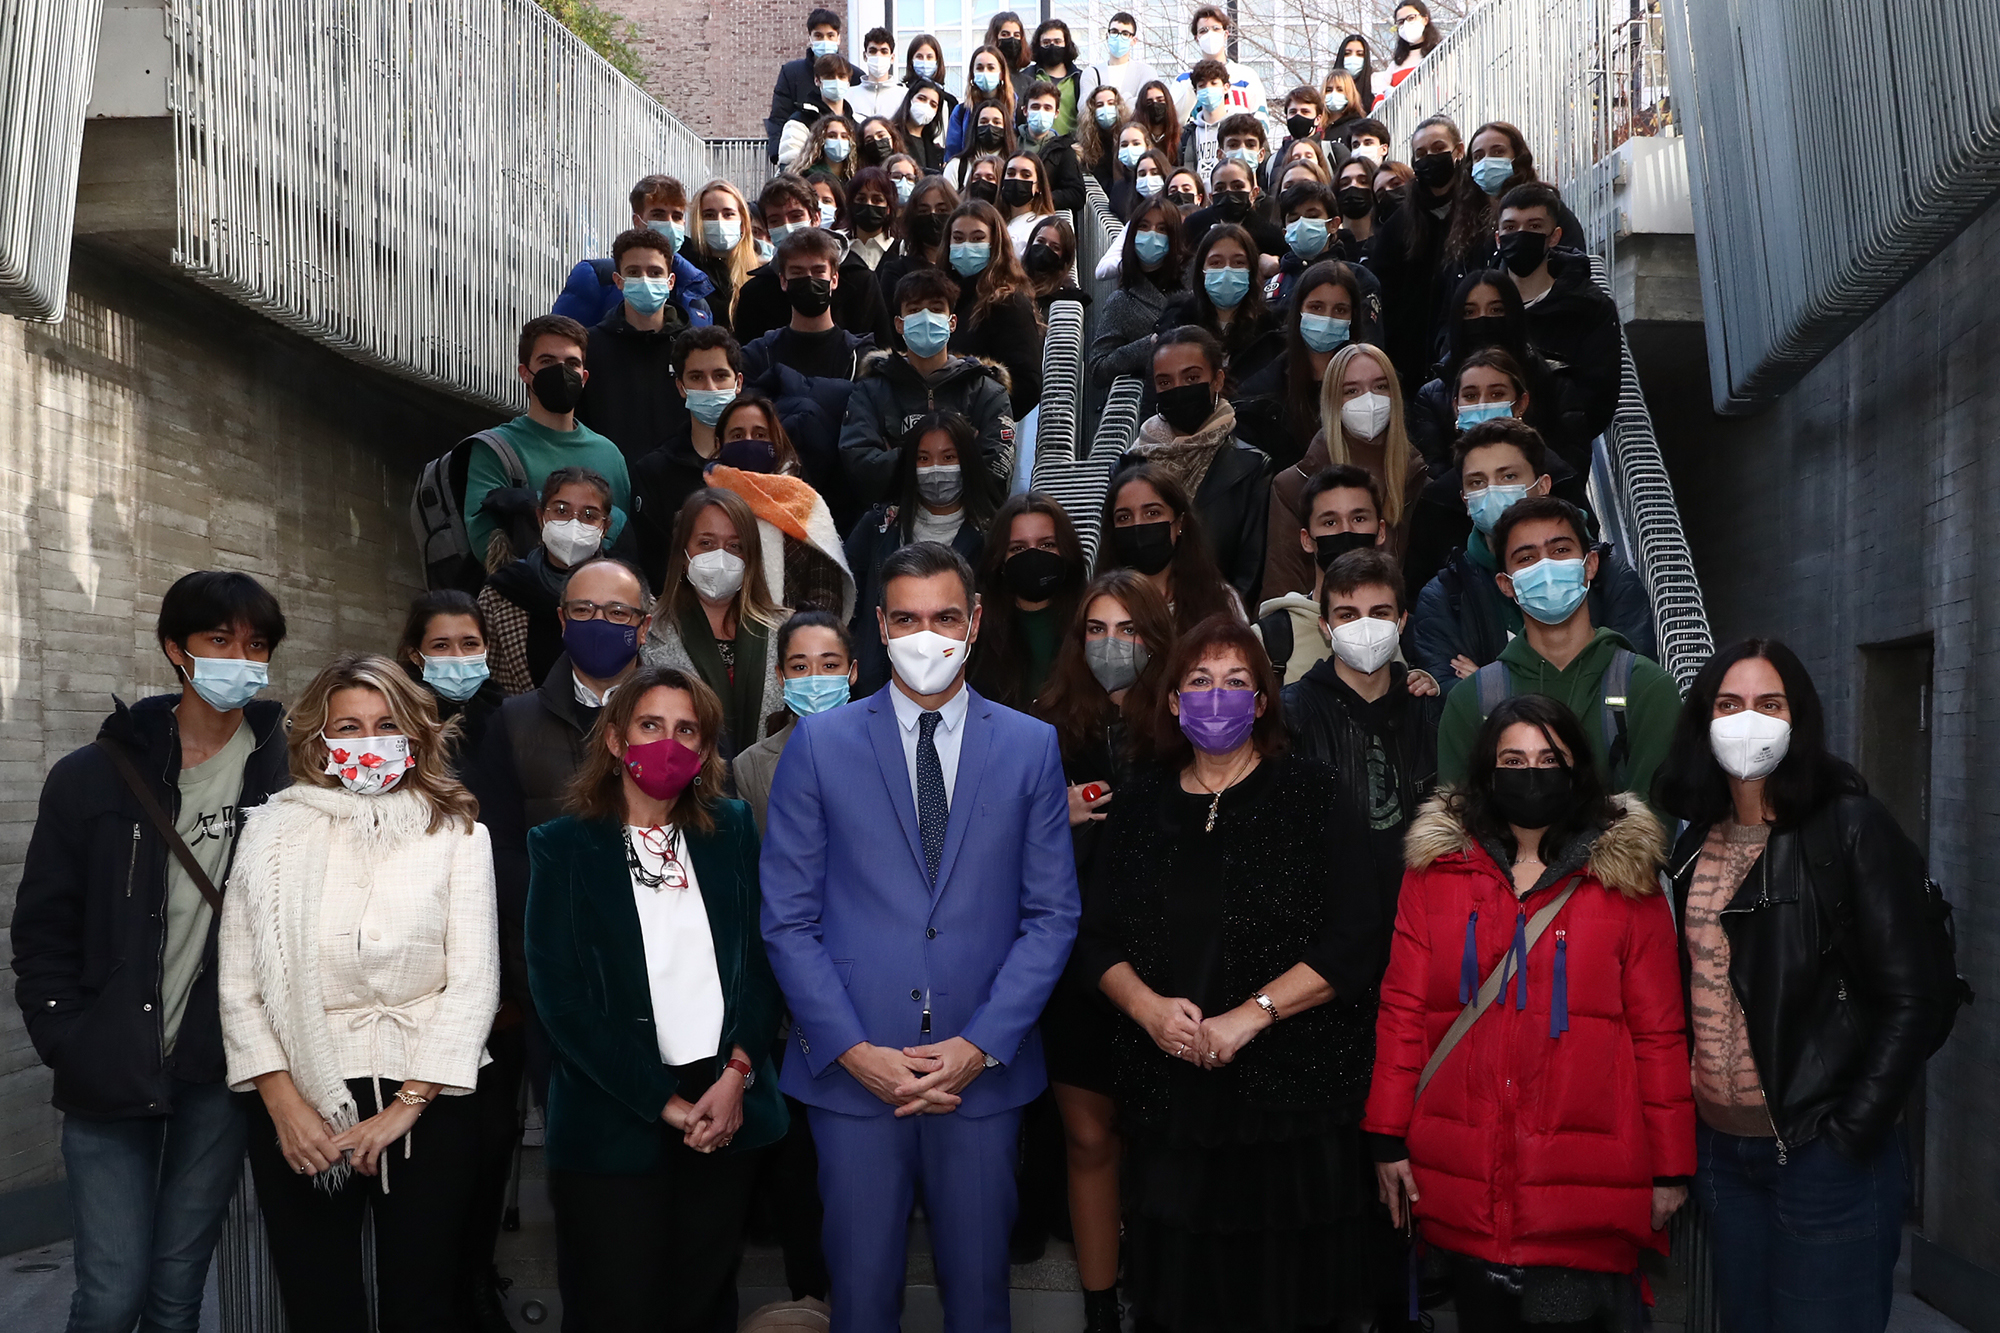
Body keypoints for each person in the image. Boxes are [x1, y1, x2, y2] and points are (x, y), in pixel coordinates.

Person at [759, 540, 1081, 1333]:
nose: (925, 635)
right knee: (861, 1301)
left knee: (980, 1300)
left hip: (982, 1077)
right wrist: (854, 1051)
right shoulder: (820, 744)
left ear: (973, 623)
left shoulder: (1030, 745)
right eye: (906, 617)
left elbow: (1052, 915)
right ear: (879, 624)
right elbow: (787, 919)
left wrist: (980, 1045)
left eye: (943, 616)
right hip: (853, 1077)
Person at [1077, 613, 1383, 1333]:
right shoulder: (1141, 802)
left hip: (1293, 1108)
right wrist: (1148, 1008)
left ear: (1263, 701)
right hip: (1172, 1101)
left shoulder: (1314, 794)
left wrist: (1253, 1013)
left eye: (1237, 682)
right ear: (1175, 702)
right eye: (1201, 682)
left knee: (1292, 1300)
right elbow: (1092, 939)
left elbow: (1355, 937)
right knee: (1181, 1299)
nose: (1218, 697)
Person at [1653, 640, 1961, 1333]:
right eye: (1729, 704)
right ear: (1703, 720)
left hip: (1826, 1160)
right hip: (1725, 1161)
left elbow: (1916, 998)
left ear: (1801, 720)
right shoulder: (1694, 842)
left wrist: (1851, 1130)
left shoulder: (1849, 827)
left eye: (1770, 704)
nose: (1748, 721)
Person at [12, 572, 287, 1333]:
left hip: (219, 1065)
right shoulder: (92, 775)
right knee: (109, 1297)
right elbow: (42, 926)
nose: (242, 658)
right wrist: (67, 1035)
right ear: (176, 649)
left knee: (176, 1292)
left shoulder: (287, 769)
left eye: (256, 645)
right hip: (109, 1061)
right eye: (219, 640)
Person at [1370, 692, 1691, 1331]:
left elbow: (1659, 1033)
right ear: (1487, 771)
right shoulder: (1437, 872)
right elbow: (1404, 1009)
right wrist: (1385, 1136)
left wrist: (1671, 1168)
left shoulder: (1627, 880)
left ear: (1577, 769)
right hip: (1463, 1182)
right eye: (1512, 760)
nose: (1531, 773)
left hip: (1587, 1192)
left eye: (1549, 758)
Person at [217, 653, 497, 1332]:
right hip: (302, 1096)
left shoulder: (459, 833)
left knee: (424, 1299)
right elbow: (238, 986)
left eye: (385, 723)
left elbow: (474, 983)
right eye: (349, 725)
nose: (368, 741)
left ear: (413, 734)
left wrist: (405, 1107)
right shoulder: (270, 832)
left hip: (429, 1099)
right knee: (319, 1302)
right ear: (319, 739)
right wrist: (285, 1106)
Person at [525, 666, 787, 1331]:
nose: (666, 743)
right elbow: (561, 999)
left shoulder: (729, 829)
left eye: (685, 730)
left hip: (725, 1106)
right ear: (614, 739)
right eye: (650, 725)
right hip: (614, 1114)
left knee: (702, 1301)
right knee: (617, 1306)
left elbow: (761, 965)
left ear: (703, 751)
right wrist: (665, 1105)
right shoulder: (562, 845)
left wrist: (736, 1074)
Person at [1030, 569, 1175, 1333]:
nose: (1111, 645)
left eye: (1128, 629)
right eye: (1096, 628)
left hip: (1166, 961)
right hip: (1070, 959)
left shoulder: (1188, 725)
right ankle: (1097, 1311)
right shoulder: (1041, 728)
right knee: (1087, 1136)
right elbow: (992, 851)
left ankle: (1155, 1291)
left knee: (1156, 1141)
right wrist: (1053, 818)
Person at [391, 593, 521, 1327]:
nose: (457, 657)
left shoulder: (512, 721)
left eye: (469, 642)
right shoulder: (389, 730)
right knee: (434, 1148)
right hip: (413, 968)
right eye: (440, 644)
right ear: (413, 651)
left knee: (492, 1136)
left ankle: (476, 1278)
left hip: (497, 970)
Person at [1434, 495, 1681, 794]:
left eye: (1561, 550)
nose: (1546, 567)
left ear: (1590, 564)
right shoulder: (1470, 702)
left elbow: (1653, 828)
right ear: (1506, 584)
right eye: (1526, 558)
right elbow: (1458, 824)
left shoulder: (1647, 689)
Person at [1410, 419, 1652, 692]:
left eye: (1508, 477)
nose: (1492, 490)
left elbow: (1629, 688)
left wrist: (1495, 690)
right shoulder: (1443, 598)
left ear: (1543, 486)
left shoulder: (1610, 579)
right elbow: (1454, 703)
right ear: (1465, 500)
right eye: (1477, 482)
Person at [1282, 548, 1442, 887]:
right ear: (1325, 627)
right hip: (1328, 915)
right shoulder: (1292, 715)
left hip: (1416, 908)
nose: (1365, 627)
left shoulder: (1428, 710)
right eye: (1348, 615)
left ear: (1401, 622)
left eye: (1380, 613)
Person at [840, 268, 1017, 509]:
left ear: (952, 322)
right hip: (891, 527)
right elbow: (861, 470)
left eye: (935, 309)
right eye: (913, 310)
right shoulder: (870, 391)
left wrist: (900, 456)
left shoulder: (987, 392)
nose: (925, 318)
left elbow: (996, 477)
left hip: (970, 530)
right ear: (899, 324)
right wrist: (960, 455)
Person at [846, 412, 996, 696]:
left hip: (965, 692)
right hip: (875, 688)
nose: (936, 469)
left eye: (949, 458)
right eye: (924, 459)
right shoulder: (879, 527)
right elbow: (844, 597)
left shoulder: (992, 536)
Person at [465, 315, 631, 571]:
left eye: (572, 363)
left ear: (584, 377)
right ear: (525, 373)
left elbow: (620, 540)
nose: (561, 371)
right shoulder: (495, 448)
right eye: (547, 361)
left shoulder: (609, 455)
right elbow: (483, 544)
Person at [1122, 325, 1271, 605]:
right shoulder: (1129, 466)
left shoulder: (1252, 467)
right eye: (1165, 382)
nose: (1178, 390)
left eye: (1191, 378)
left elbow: (1251, 572)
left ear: (1217, 380)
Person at [1264, 342, 1425, 597]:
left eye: (1380, 387)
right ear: (1332, 401)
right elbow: (1282, 586)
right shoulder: (1293, 485)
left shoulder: (1417, 480)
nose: (1369, 400)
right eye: (1352, 391)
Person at [641, 489, 791, 762]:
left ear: (751, 558)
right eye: (706, 543)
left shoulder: (787, 632)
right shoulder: (650, 634)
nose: (721, 558)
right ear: (683, 555)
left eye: (735, 546)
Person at [1499, 182, 1623, 460]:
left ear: (1554, 237)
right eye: (1510, 227)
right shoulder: (1477, 303)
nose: (1520, 235)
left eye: (1533, 227)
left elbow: (1597, 398)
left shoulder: (1589, 308)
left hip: (1556, 460)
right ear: (1498, 238)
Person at [1255, 465, 1392, 687]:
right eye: (1330, 522)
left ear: (1381, 531)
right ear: (1306, 540)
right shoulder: (1270, 639)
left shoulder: (1409, 635)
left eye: (1358, 519)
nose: (1345, 531)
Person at [1237, 255, 1369, 471]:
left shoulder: (1371, 381)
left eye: (1340, 310)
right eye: (1316, 307)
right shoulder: (1264, 391)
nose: (1327, 318)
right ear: (1298, 311)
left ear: (1352, 316)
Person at [733, 611, 859, 834]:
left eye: (829, 665)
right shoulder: (750, 766)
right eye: (800, 667)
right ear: (781, 676)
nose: (815, 679)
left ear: (852, 672)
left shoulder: (888, 748)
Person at [732, 176, 893, 348]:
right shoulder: (756, 292)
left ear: (816, 218)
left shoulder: (859, 279)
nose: (787, 226)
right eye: (775, 220)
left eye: (796, 216)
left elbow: (880, 350)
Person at [575, 228, 689, 466]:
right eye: (634, 272)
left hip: (679, 485)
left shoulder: (693, 348)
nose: (645, 280)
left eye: (655, 272)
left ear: (670, 281)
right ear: (619, 281)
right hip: (607, 482)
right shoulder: (589, 347)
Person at [967, 493, 1088, 709]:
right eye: (1018, 548)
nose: (1033, 557)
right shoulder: (976, 632)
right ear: (1000, 560)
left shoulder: (1093, 624)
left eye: (1047, 545)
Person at [550, 176, 718, 332]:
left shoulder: (697, 291)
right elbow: (561, 340)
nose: (669, 223)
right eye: (658, 214)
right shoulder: (597, 278)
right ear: (637, 221)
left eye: (676, 216)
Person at [1371, 115, 1464, 391]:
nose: (1430, 158)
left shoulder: (1479, 211)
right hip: (1410, 371)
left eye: (1438, 148)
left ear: (1458, 150)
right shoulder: (1399, 224)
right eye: (1421, 153)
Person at [1096, 463, 1243, 633]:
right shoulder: (1100, 605)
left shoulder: (1220, 599)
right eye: (1124, 517)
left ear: (1179, 523)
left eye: (1152, 513)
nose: (1138, 525)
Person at [943, 199, 1044, 416]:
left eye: (977, 239)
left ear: (995, 244)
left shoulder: (1009, 302)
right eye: (958, 238)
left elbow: (1027, 385)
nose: (966, 246)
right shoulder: (938, 296)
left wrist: (984, 419)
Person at [1157, 222, 1284, 388]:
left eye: (1238, 263)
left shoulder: (1270, 328)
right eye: (1216, 263)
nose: (1226, 271)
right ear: (1202, 271)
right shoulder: (1177, 320)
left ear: (1251, 271)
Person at [1087, 198, 1185, 392]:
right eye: (1144, 226)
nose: (1151, 235)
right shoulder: (1121, 301)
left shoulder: (1194, 283)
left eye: (1162, 229)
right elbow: (1098, 369)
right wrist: (1149, 344)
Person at [768, 9, 845, 165]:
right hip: (800, 154)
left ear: (838, 39)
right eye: (818, 36)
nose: (825, 41)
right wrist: (779, 157)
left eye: (830, 35)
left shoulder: (853, 74)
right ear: (810, 38)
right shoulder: (791, 73)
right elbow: (779, 116)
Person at [1182, 149, 1284, 263]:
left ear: (1254, 193)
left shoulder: (1270, 235)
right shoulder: (1194, 225)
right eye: (1220, 188)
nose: (1228, 193)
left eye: (1237, 187)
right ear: (1211, 196)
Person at [686, 178, 760, 330]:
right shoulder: (687, 270)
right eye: (709, 215)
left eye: (728, 214)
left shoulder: (758, 273)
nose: (719, 221)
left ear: (743, 223)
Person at [1170, 6, 1269, 119]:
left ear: (1225, 34)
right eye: (1203, 31)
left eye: (1216, 28)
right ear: (1197, 38)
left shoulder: (1246, 76)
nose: (1210, 34)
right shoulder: (1183, 81)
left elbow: (1261, 119)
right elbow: (1173, 124)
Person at [875, 175, 958, 303]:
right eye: (924, 211)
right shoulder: (896, 271)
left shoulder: (962, 271)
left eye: (942, 210)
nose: (933, 216)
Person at [1018, 80, 1088, 214]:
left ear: (1056, 113)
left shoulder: (1063, 149)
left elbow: (1076, 194)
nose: (1041, 112)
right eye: (1035, 107)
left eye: (1047, 108)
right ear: (1025, 110)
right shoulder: (1011, 142)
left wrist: (1042, 199)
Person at [944, 46, 1017, 162]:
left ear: (1001, 74)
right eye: (979, 68)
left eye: (991, 68)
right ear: (972, 74)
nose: (985, 73)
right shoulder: (961, 111)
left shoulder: (1015, 108)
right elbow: (952, 154)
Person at [1175, 59, 1235, 178]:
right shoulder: (1187, 134)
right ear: (1196, 92)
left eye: (1214, 83)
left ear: (1226, 87)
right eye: (1202, 86)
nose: (1208, 90)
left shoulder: (1240, 128)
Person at [1085, 11, 1160, 104]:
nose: (1118, 37)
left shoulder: (1147, 73)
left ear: (1134, 40)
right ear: (1107, 36)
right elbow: (1084, 107)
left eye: (1125, 33)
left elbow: (1145, 106)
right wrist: (1129, 101)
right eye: (1114, 32)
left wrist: (1104, 104)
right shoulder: (1092, 73)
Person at [1024, 20, 1084, 135]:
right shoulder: (1027, 76)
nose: (1052, 46)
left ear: (1066, 44)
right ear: (1038, 45)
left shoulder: (1079, 79)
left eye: (1057, 41)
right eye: (1046, 42)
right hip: (1035, 146)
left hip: (1070, 147)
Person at [1380, 1, 1444, 107]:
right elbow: (1380, 95)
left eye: (1411, 18)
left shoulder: (1441, 54)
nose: (1406, 25)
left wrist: (1408, 99)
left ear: (1425, 19)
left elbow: (1447, 91)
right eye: (1400, 22)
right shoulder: (1396, 64)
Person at [1022, 216, 1086, 312]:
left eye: (1055, 247)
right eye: (1040, 241)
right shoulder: (1011, 279)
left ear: (1064, 256)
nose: (1044, 249)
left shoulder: (1065, 296)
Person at [999, 149, 1057, 252]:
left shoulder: (1042, 226)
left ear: (1038, 186)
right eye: (1011, 173)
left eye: (1026, 175)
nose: (1017, 178)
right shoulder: (996, 219)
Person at [846, 27, 904, 120]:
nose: (878, 55)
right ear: (865, 56)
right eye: (873, 51)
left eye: (884, 51)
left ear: (892, 58)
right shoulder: (848, 95)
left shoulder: (904, 96)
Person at [891, 83, 948, 174]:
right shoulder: (891, 136)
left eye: (933, 104)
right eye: (921, 99)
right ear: (910, 99)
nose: (926, 106)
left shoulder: (935, 151)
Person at [1078, 85, 1127, 188]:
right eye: (1100, 105)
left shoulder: (1127, 134)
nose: (1106, 108)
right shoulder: (1087, 141)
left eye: (1111, 103)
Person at [1335, 34, 1378, 114]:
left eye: (1360, 54)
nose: (1353, 58)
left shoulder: (1375, 86)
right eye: (1347, 53)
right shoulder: (1331, 86)